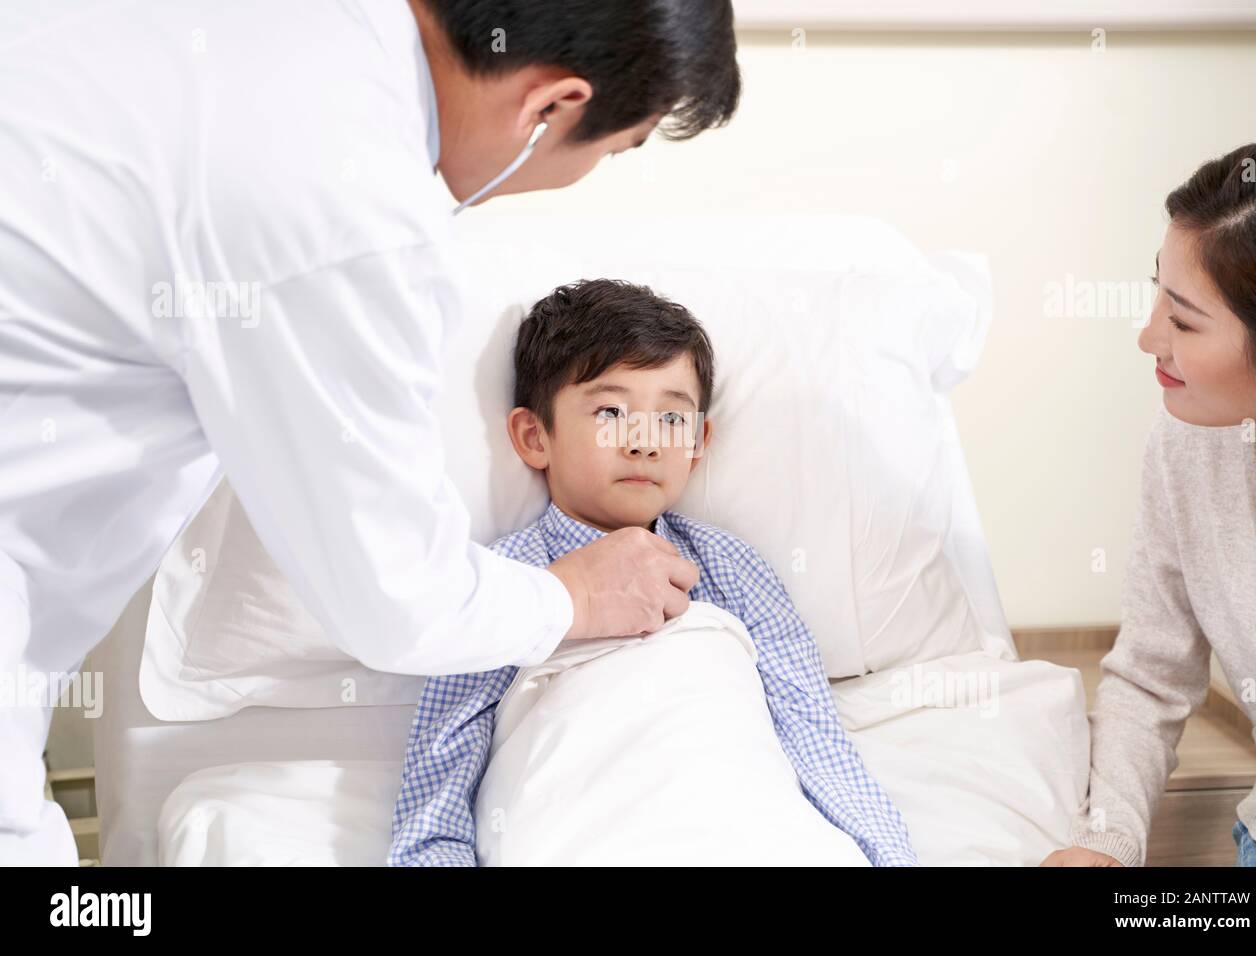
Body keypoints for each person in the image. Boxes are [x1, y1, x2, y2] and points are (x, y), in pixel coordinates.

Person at [0, 0, 740, 864]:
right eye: (611, 151)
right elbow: (397, 596)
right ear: (549, 108)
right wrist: (570, 597)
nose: (645, 439)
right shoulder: (346, 206)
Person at [388, 279, 917, 866]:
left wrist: (889, 858)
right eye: (611, 411)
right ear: (535, 436)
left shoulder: (729, 567)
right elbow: (439, 782)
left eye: (672, 419)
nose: (644, 441)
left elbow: (814, 736)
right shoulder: (503, 581)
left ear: (697, 444)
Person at [1042, 139, 1256, 867]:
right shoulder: (1193, 448)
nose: (1147, 336)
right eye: (1158, 294)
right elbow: (1153, 674)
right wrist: (1109, 841)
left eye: (1183, 322)